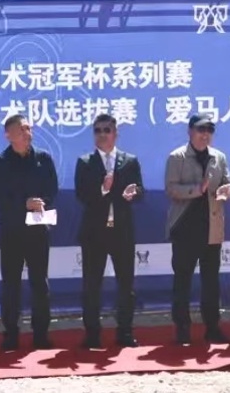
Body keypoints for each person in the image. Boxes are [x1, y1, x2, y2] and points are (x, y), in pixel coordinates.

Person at [0, 114, 58, 351]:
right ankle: (11, 334)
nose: (28, 133)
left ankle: (41, 334)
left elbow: (52, 189)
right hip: (12, 231)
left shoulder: (43, 159)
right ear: (9, 135)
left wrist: (41, 202)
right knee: (11, 284)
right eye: (23, 129)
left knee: (40, 283)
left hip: (38, 229)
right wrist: (23, 203)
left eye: (29, 128)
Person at [74, 114, 143, 349]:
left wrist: (133, 193)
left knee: (126, 285)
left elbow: (140, 190)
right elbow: (81, 195)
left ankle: (125, 332)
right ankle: (92, 334)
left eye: (107, 130)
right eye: (98, 130)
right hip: (94, 232)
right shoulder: (85, 162)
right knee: (91, 286)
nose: (102, 134)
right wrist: (103, 189)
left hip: (122, 231)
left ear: (116, 133)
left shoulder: (129, 161)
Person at [164, 113, 230, 344]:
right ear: (190, 132)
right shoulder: (177, 157)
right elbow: (171, 189)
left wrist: (227, 190)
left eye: (209, 130)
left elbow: (227, 182)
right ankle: (182, 328)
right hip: (185, 227)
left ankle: (212, 327)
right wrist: (197, 190)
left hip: (211, 227)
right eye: (201, 130)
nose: (205, 135)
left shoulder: (218, 157)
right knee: (182, 281)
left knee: (211, 281)